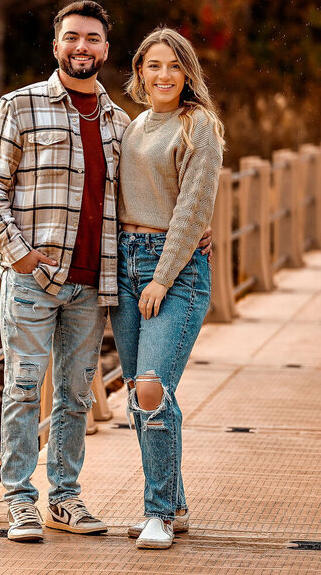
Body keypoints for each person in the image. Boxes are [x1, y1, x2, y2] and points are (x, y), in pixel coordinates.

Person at [0, 0, 129, 542]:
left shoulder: (120, 123)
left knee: (76, 396)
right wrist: (15, 252)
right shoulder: (19, 106)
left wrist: (193, 224)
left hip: (93, 282)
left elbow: (137, 200)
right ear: (55, 45)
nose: (81, 47)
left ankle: (65, 498)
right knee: (21, 387)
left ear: (106, 50)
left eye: (92, 39)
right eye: (71, 37)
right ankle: (19, 500)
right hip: (34, 280)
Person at [111, 27, 225, 550]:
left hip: (173, 270)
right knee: (142, 394)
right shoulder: (133, 127)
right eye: (153, 66)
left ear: (188, 74)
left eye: (174, 66)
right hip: (125, 261)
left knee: (153, 385)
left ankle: (155, 512)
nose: (163, 76)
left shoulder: (198, 125)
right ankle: (174, 504)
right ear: (139, 72)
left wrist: (162, 276)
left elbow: (193, 208)